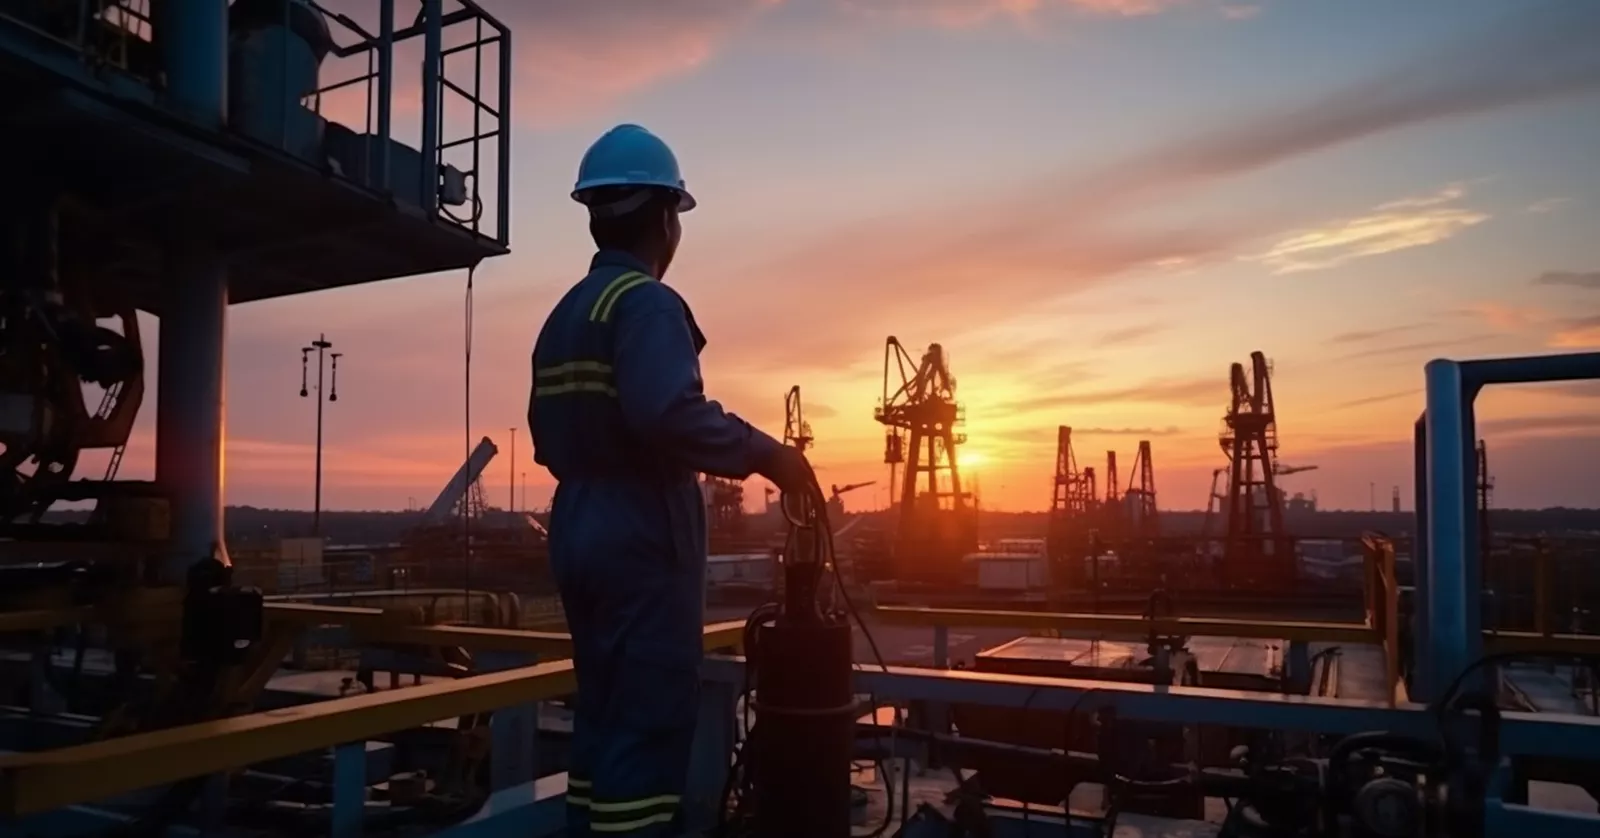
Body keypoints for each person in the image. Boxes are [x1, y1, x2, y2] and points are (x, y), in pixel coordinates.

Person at [528, 123, 816, 836]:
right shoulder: (646, 303)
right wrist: (770, 455)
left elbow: (544, 432)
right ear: (664, 216)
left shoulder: (567, 313)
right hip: (641, 527)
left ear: (594, 213)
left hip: (578, 521)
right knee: (650, 714)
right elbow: (666, 412)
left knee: (602, 706)